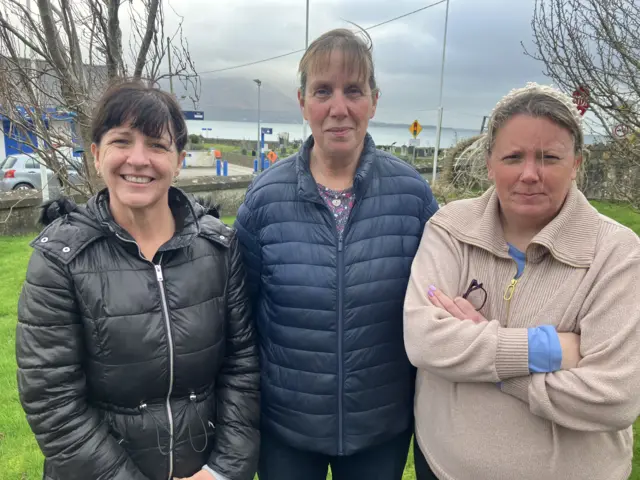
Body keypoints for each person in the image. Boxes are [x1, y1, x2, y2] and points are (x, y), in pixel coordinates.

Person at [16, 81, 260, 480]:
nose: (138, 159)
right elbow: (51, 400)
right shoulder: (60, 259)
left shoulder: (219, 248)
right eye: (121, 141)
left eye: (157, 145)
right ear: (96, 155)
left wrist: (221, 471)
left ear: (179, 159)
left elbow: (243, 368)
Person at [404, 83, 640, 480]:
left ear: (577, 163)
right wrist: (548, 348)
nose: (530, 174)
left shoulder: (618, 254)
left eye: (549, 157)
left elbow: (614, 398)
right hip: (442, 467)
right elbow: (425, 340)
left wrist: (488, 361)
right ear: (490, 162)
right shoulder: (450, 229)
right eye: (513, 157)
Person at [234, 28, 439, 480]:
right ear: (303, 101)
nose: (338, 108)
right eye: (323, 91)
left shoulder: (412, 197)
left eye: (353, 91)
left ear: (374, 100)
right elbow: (241, 318)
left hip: (379, 429)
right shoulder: (264, 199)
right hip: (286, 430)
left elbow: (434, 307)